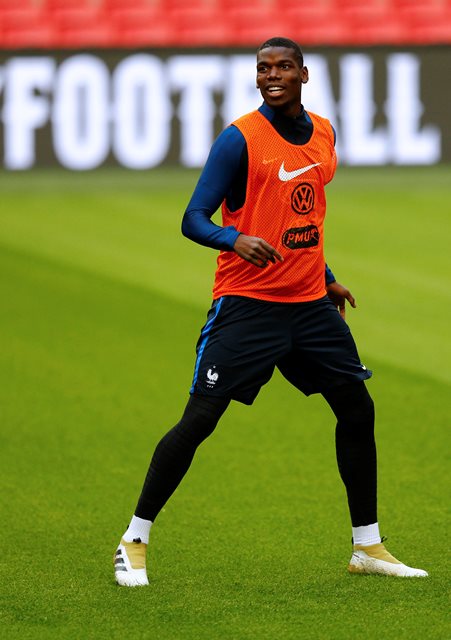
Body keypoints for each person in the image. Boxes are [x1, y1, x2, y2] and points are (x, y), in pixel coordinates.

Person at [113, 37, 427, 586]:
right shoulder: (240, 139)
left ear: (304, 74)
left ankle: (367, 546)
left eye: (283, 67)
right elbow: (193, 217)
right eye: (263, 68)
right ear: (256, 78)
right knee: (200, 421)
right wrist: (233, 240)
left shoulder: (325, 132)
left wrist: (327, 278)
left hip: (309, 307)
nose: (272, 75)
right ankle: (134, 540)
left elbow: (304, 220)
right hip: (248, 307)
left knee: (357, 410)